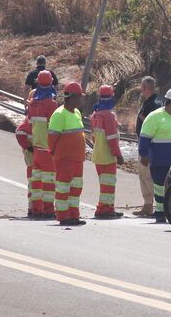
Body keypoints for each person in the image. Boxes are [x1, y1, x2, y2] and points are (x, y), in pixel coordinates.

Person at [138, 87, 171, 224]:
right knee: (160, 187)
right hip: (160, 161)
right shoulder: (154, 117)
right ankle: (160, 213)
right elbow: (144, 138)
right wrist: (144, 155)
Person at [48, 82, 87, 226]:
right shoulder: (59, 114)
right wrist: (54, 153)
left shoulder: (76, 113)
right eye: (79, 97)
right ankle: (64, 216)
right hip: (64, 159)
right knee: (64, 188)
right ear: (73, 97)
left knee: (76, 188)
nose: (81, 100)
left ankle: (73, 215)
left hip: (77, 159)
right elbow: (52, 137)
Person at [27, 70, 59, 219]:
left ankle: (36, 209)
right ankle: (48, 210)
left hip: (36, 147)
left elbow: (29, 123)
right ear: (51, 83)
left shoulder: (32, 103)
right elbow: (54, 129)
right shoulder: (52, 104)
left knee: (37, 181)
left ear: (38, 83)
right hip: (48, 149)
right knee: (49, 181)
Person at [91, 85, 125, 219]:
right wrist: (118, 155)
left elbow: (94, 137)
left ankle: (109, 207)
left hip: (98, 155)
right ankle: (104, 210)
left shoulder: (95, 115)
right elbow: (112, 139)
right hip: (107, 156)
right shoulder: (109, 116)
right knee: (108, 185)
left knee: (105, 184)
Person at [134, 76, 161, 217]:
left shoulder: (152, 105)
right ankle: (150, 205)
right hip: (151, 144)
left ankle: (149, 205)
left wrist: (143, 119)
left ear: (145, 88)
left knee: (146, 175)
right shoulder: (155, 102)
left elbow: (152, 124)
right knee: (149, 175)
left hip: (148, 144)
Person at [14, 116, 36, 218]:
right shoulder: (33, 118)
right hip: (33, 157)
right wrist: (29, 147)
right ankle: (33, 208)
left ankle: (37, 208)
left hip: (42, 155)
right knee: (34, 182)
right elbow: (20, 132)